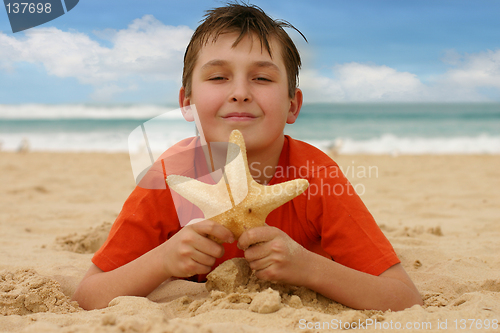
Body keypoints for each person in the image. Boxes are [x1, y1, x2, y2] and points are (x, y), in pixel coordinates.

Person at [72, 3, 423, 311]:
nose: (240, 93)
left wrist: (308, 268)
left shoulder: (316, 176)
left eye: (261, 78)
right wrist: (163, 260)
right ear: (186, 102)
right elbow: (91, 293)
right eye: (219, 76)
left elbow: (404, 296)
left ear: (292, 105)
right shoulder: (169, 178)